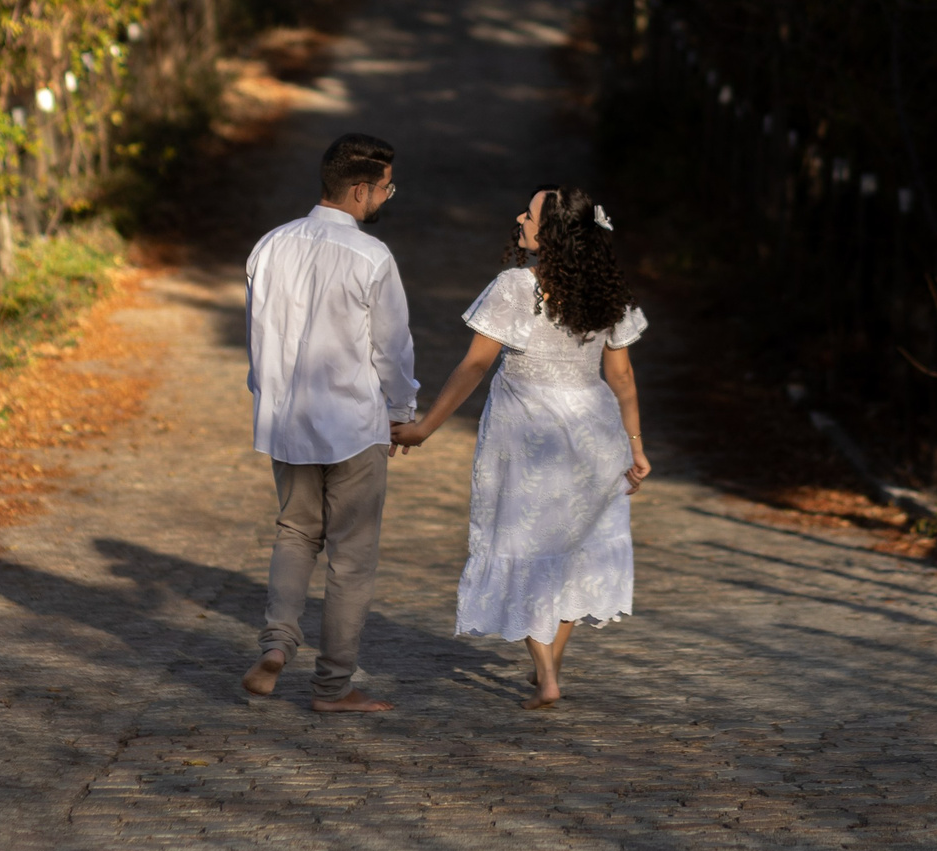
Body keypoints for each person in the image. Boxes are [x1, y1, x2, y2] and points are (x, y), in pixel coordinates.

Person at [392, 184, 648, 709]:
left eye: (529, 214)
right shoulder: (609, 293)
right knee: (577, 545)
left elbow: (475, 365)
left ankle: (545, 673)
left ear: (551, 231)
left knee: (524, 542)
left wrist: (424, 428)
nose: (519, 218)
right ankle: (551, 664)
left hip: (528, 430)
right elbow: (621, 378)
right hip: (595, 431)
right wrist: (637, 447)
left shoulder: (514, 286)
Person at [240, 131, 418, 714]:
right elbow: (391, 350)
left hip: (288, 421)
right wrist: (400, 413)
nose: (389, 198)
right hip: (352, 423)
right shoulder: (372, 257)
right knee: (351, 556)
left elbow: (256, 338)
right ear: (361, 189)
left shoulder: (269, 246)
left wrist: (267, 398)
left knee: (294, 534)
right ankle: (333, 687)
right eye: (387, 188)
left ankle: (276, 643)